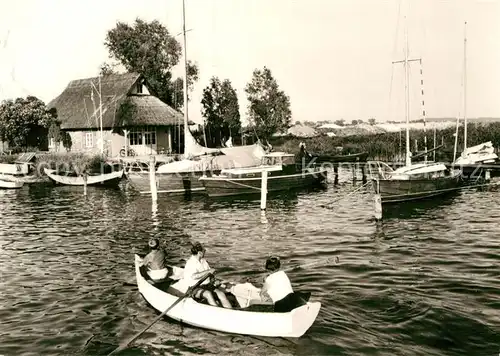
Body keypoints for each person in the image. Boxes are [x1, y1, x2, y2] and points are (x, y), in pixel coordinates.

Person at [172, 242, 233, 309]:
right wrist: (208, 271)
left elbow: (210, 274)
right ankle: (217, 313)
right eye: (204, 251)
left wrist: (214, 280)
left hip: (207, 285)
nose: (205, 252)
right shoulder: (190, 263)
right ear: (199, 253)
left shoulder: (203, 261)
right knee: (208, 294)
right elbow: (194, 276)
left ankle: (231, 312)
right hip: (194, 288)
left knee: (221, 294)